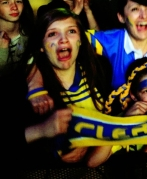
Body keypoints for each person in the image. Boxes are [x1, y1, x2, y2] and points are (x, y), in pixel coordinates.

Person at [19, 9, 111, 164]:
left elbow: (111, 116)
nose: (63, 40)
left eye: (71, 31)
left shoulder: (100, 68)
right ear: (41, 46)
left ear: (80, 40)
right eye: (52, 34)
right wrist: (42, 130)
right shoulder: (28, 88)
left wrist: (88, 143)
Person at [0, 0, 34, 77]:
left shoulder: (33, 34)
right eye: (5, 2)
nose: (14, 7)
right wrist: (3, 50)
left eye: (18, 1)